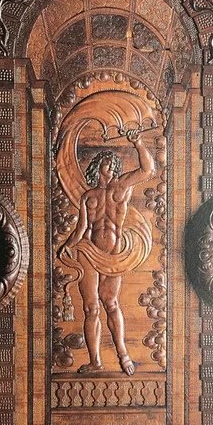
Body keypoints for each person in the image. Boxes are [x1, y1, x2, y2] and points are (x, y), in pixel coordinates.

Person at [57, 129, 155, 376]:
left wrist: (138, 142)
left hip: (113, 255)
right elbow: (82, 228)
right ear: (97, 166)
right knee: (91, 308)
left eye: (114, 164)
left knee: (110, 302)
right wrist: (67, 245)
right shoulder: (88, 196)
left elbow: (148, 170)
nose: (111, 168)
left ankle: (123, 354)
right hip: (88, 252)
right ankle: (95, 361)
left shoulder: (121, 188)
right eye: (107, 164)